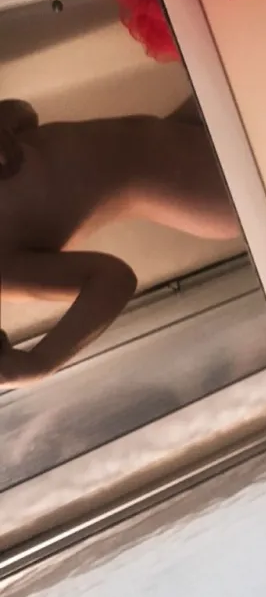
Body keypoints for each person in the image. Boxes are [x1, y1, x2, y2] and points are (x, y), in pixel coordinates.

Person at [0, 97, 240, 389]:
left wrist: (5, 120)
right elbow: (113, 279)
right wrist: (41, 362)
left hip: (185, 124)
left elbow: (24, 113)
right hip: (202, 186)